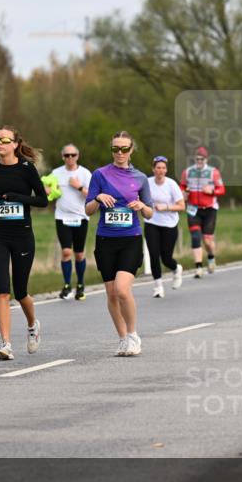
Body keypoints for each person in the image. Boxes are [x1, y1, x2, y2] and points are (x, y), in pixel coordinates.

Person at [0, 126, 48, 361]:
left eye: (5, 140)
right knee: (2, 290)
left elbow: (42, 200)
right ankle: (6, 345)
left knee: (20, 291)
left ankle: (32, 325)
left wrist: (19, 198)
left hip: (22, 236)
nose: (0, 143)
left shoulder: (26, 169)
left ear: (15, 144)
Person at [85, 131, 154, 356]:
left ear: (131, 150)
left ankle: (133, 335)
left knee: (122, 290)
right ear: (112, 150)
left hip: (130, 239)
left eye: (124, 149)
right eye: (116, 148)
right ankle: (123, 338)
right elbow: (88, 210)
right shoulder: (100, 175)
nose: (120, 153)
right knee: (111, 293)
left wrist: (142, 207)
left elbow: (150, 213)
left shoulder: (140, 178)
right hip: (105, 240)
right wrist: (98, 198)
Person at [50, 144, 92, 301]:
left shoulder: (85, 173)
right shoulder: (56, 173)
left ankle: (80, 284)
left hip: (81, 217)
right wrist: (48, 191)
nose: (70, 158)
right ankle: (67, 285)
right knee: (66, 252)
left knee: (79, 254)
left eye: (73, 155)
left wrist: (79, 187)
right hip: (62, 217)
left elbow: (93, 195)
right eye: (67, 155)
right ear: (63, 157)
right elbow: (49, 190)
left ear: (77, 156)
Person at [180, 146, 225, 277]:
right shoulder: (187, 172)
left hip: (210, 209)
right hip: (193, 208)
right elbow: (182, 186)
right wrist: (184, 192)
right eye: (197, 159)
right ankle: (198, 268)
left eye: (202, 159)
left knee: (207, 240)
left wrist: (212, 191)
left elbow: (222, 189)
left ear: (206, 159)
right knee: (195, 237)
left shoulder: (213, 172)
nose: (199, 161)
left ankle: (211, 257)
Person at [144, 156, 184, 298]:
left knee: (166, 258)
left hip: (169, 224)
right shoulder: (147, 182)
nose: (160, 170)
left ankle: (176, 268)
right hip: (151, 222)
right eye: (158, 168)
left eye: (163, 168)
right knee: (154, 254)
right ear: (153, 169)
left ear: (166, 170)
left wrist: (166, 207)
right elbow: (139, 197)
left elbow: (181, 206)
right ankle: (158, 286)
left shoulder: (171, 184)